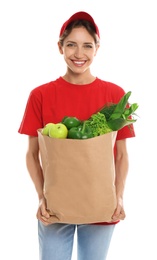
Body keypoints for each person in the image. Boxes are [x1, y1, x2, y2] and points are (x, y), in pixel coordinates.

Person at [18, 11, 135, 260]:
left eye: (87, 46)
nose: (79, 54)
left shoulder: (115, 95)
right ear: (60, 47)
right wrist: (41, 198)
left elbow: (122, 155)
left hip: (100, 205)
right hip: (55, 207)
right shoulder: (40, 95)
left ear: (97, 49)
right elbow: (32, 154)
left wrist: (119, 196)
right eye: (71, 44)